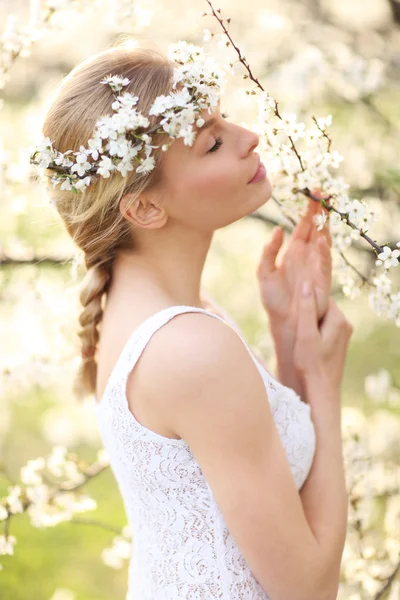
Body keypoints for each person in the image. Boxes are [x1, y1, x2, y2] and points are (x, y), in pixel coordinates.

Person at [37, 41, 353, 600]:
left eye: (224, 117)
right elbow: (308, 589)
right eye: (212, 142)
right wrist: (324, 383)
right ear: (145, 207)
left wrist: (290, 333)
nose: (249, 137)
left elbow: (265, 463)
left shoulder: (166, 312)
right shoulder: (188, 347)